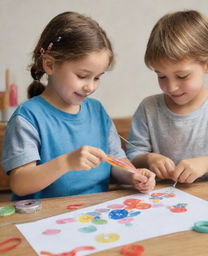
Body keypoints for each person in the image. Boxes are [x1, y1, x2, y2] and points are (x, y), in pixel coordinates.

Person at [2, 12, 155, 200]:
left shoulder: (97, 111)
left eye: (97, 77)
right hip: (46, 220)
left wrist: (134, 175)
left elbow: (116, 162)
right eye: (82, 76)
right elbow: (20, 184)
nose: (90, 86)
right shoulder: (27, 117)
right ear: (49, 65)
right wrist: (66, 162)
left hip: (93, 216)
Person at [126, 10, 208, 184]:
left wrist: (207, 164)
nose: (171, 87)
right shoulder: (149, 108)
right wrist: (149, 159)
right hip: (166, 202)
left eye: (182, 76)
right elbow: (132, 156)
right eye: (161, 76)